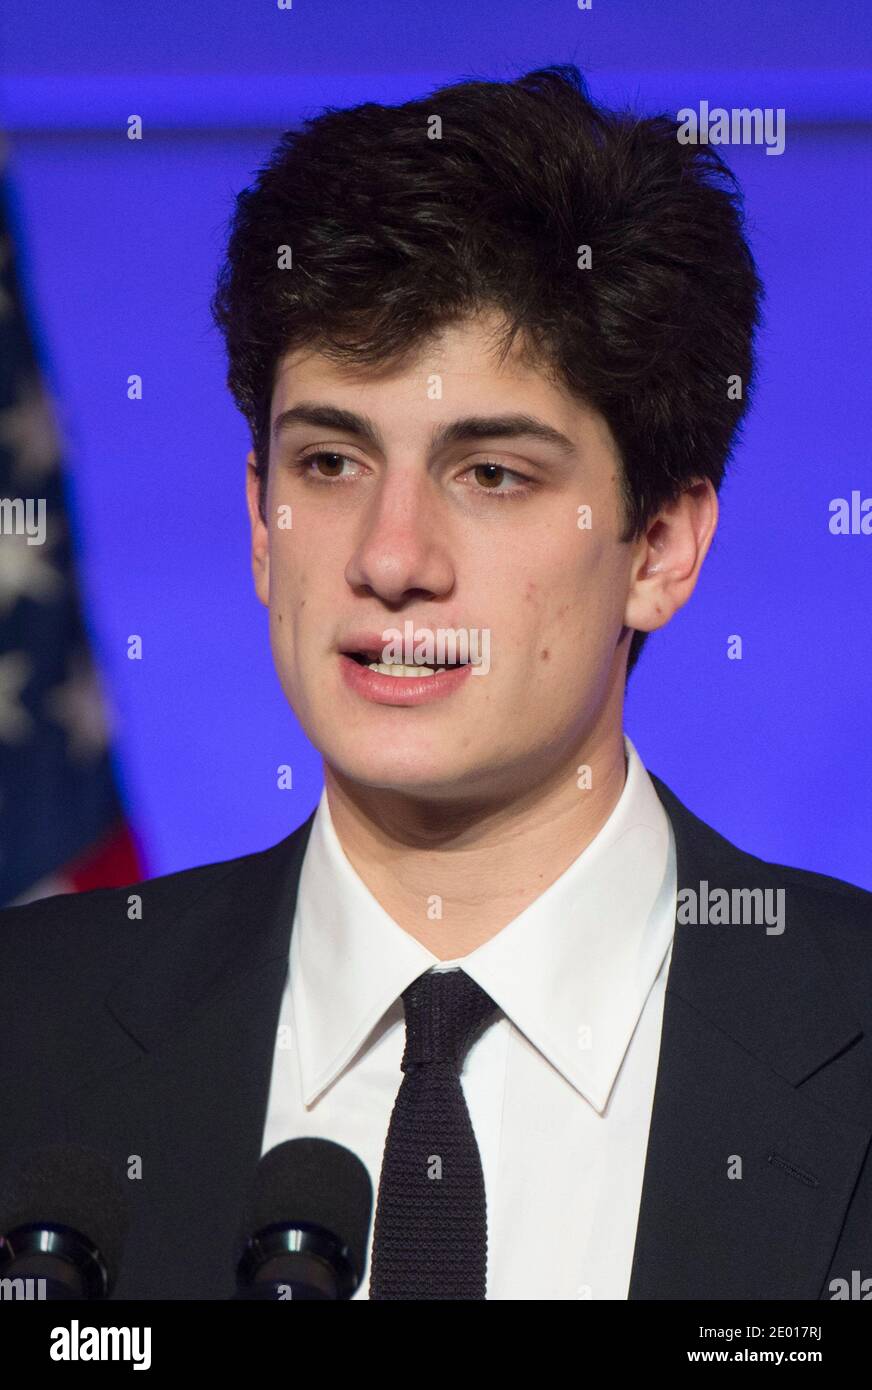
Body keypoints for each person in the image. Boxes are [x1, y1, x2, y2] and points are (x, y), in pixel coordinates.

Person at [2, 65, 870, 1301]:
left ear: (661, 547)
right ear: (260, 521)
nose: (389, 557)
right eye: (332, 460)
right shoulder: (26, 1033)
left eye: (493, 474)